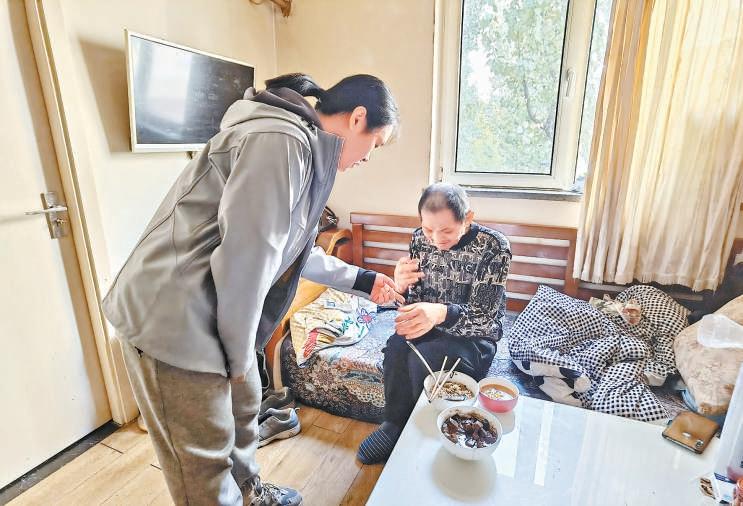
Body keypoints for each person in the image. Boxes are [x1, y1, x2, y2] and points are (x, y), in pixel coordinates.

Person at [102, 73, 403, 506]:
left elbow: (288, 248)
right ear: (358, 118)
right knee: (204, 468)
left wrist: (364, 280)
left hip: (218, 310)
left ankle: (250, 492)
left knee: (245, 416)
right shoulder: (282, 142)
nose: (369, 157)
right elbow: (246, 262)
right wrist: (240, 352)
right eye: (376, 144)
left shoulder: (304, 148)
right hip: (173, 317)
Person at [356, 182, 512, 464]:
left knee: (426, 358)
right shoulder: (419, 239)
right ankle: (394, 424)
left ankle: (430, 434)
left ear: (467, 218)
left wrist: (440, 313)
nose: (436, 239)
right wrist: (401, 287)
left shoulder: (494, 247)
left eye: (447, 231)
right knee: (396, 347)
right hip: (431, 324)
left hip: (474, 338)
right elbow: (414, 300)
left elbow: (485, 318)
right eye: (428, 229)